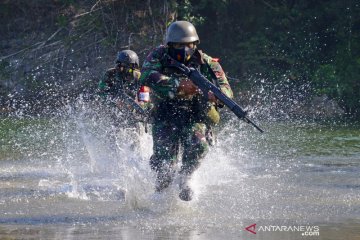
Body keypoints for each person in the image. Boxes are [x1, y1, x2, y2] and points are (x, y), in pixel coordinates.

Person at [140, 21, 233, 201]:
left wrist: (218, 95)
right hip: (165, 113)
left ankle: (186, 177)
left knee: (199, 145)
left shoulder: (205, 61)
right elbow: (145, 75)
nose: (184, 50)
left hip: (194, 115)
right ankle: (160, 196)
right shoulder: (159, 55)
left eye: (188, 45)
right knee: (164, 163)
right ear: (170, 45)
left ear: (195, 44)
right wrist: (178, 85)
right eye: (178, 46)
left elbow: (226, 88)